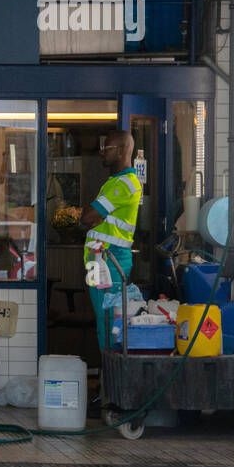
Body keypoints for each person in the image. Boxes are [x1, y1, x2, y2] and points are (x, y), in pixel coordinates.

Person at [79, 131, 142, 351]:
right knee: (102, 318)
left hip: (111, 260)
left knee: (109, 321)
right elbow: (90, 218)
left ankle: (112, 374)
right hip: (99, 259)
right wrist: (95, 216)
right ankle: (107, 375)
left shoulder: (124, 185)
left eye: (107, 148)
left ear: (122, 150)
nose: (101, 152)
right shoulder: (113, 182)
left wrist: (95, 216)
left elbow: (87, 217)